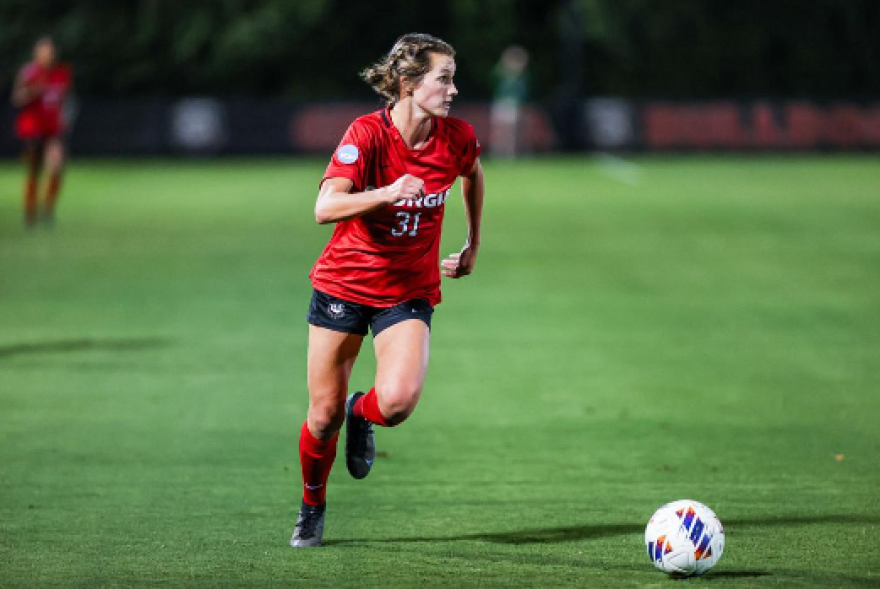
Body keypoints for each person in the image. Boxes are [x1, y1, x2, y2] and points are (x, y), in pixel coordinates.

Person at [291, 33, 485, 548]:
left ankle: (363, 412)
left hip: (408, 289)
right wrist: (388, 192)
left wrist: (472, 241)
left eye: (452, 77)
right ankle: (312, 505)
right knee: (321, 415)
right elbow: (324, 207)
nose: (453, 89)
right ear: (407, 84)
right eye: (442, 79)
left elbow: (473, 172)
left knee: (397, 402)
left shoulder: (456, 137)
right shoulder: (367, 134)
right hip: (344, 284)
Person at [11, 37, 72, 228]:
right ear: (36, 53)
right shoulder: (29, 72)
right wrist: (32, 92)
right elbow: (17, 99)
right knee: (34, 170)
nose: (47, 55)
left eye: (50, 51)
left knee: (57, 165)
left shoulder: (61, 73)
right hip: (33, 128)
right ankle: (30, 211)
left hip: (52, 127)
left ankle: (48, 209)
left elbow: (64, 98)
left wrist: (64, 116)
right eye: (43, 51)